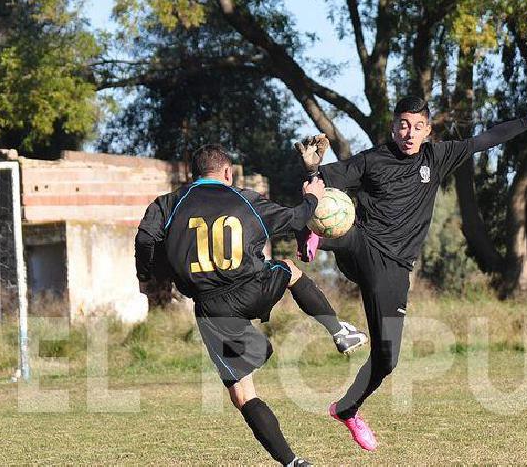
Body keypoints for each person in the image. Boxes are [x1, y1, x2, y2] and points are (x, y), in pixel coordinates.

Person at [293, 91, 527, 450]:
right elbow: (320, 181)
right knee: (340, 228)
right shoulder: (371, 161)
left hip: (395, 271)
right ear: (393, 127)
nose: (409, 133)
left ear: (428, 130)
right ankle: (309, 235)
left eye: (417, 127)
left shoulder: (438, 156)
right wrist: (311, 168)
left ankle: (348, 408)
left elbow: (488, 138)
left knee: (387, 359)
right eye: (403, 125)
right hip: (362, 247)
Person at [134, 144, 369, 466]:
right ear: (227, 172)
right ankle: (338, 330)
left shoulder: (168, 204)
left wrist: (147, 279)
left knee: (243, 394)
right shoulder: (243, 198)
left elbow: (146, 239)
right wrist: (313, 194)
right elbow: (296, 218)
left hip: (212, 309)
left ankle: (292, 462)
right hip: (252, 288)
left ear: (193, 174)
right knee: (287, 270)